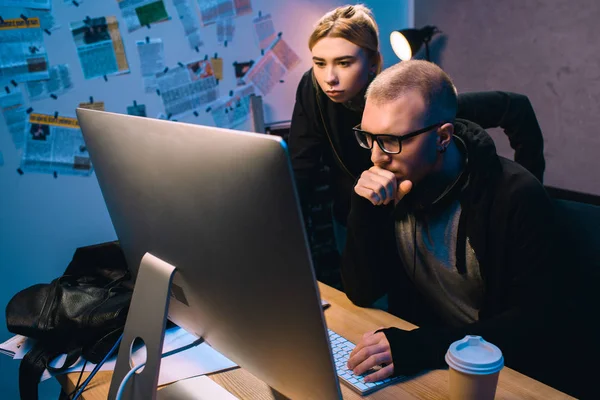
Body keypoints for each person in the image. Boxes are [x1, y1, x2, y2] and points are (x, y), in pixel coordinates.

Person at [341, 60, 558, 385]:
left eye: (390, 141)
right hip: (429, 363)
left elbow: (531, 326)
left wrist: (419, 348)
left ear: (443, 137)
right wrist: (366, 207)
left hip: (491, 374)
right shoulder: (394, 180)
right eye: (368, 138)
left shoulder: (515, 197)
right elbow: (361, 292)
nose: (376, 157)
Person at [289, 5, 545, 255]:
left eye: (344, 63)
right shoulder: (312, 88)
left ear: (372, 63)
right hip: (349, 217)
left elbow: (515, 108)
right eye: (319, 63)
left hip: (406, 221)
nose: (328, 78)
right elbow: (301, 166)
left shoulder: (407, 103)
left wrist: (531, 191)